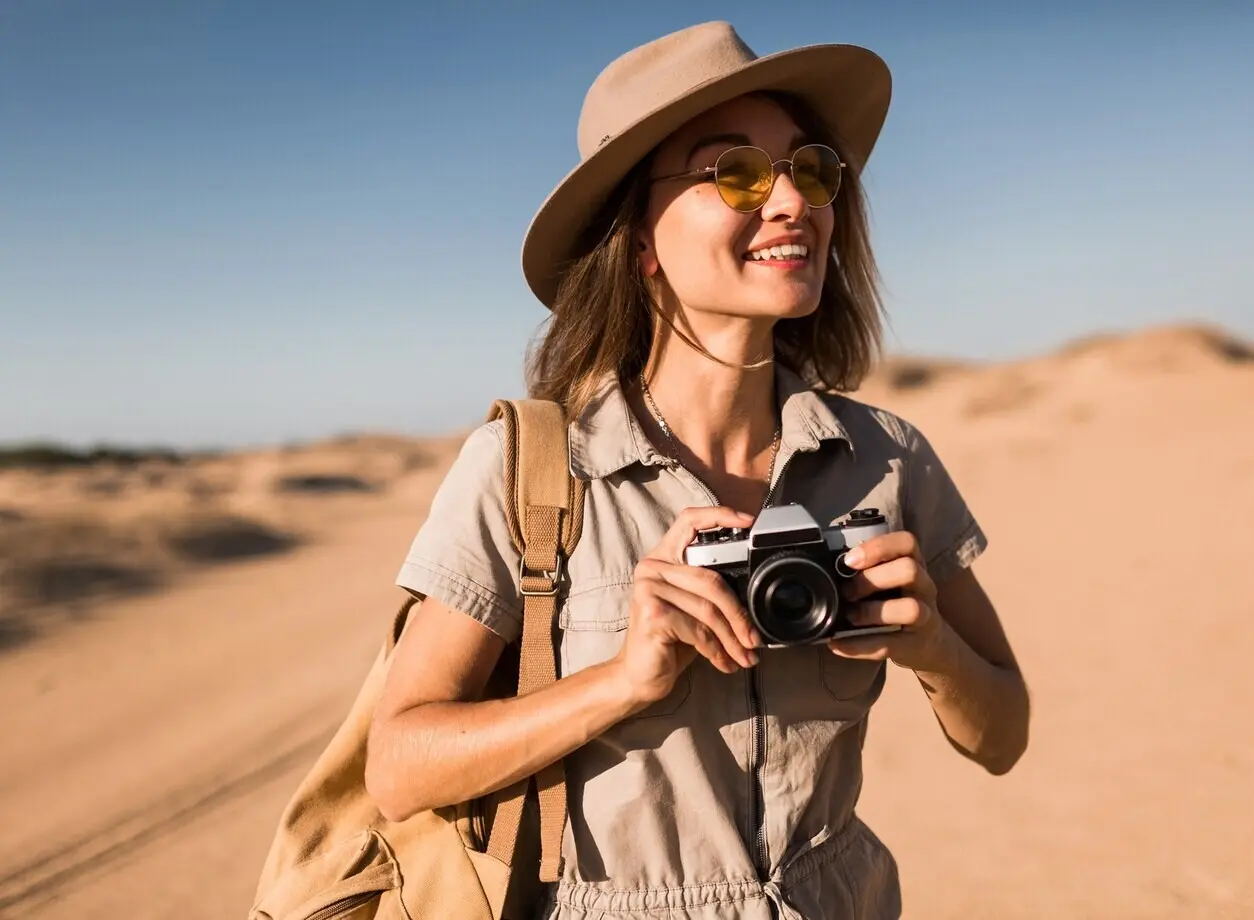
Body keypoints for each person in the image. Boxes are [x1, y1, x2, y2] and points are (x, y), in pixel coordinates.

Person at [364, 21, 1029, 920]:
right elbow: (397, 768)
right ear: (638, 238)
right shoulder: (530, 477)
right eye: (739, 173)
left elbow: (1004, 736)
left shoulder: (887, 459)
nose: (794, 202)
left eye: (812, 169)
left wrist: (933, 649)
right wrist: (624, 680)